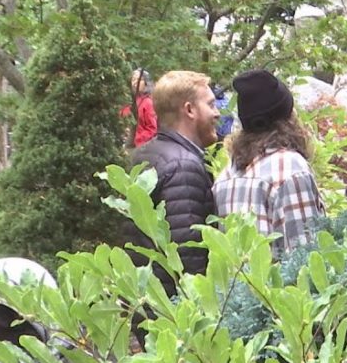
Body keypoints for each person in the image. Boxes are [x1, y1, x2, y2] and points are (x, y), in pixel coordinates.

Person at [126, 71, 220, 295]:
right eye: (210, 105)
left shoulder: (145, 155)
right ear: (189, 110)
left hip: (150, 304)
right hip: (176, 317)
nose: (217, 113)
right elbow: (189, 260)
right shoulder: (183, 167)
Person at [213, 69, 324, 258]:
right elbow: (306, 256)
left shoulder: (226, 176)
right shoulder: (290, 168)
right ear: (288, 118)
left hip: (237, 287)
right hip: (275, 287)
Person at [120, 69, 158, 147]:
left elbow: (152, 129)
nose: (135, 82)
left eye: (139, 80)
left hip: (140, 147)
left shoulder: (148, 103)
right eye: (133, 79)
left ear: (146, 83)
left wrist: (138, 138)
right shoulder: (127, 102)